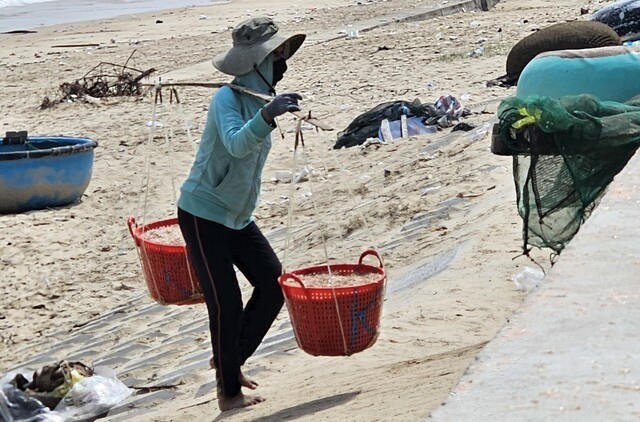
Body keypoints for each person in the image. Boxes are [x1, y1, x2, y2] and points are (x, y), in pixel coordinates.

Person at [176, 17, 306, 411]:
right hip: (203, 214)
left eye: (282, 55)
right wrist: (268, 118)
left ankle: (228, 363)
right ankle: (228, 393)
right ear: (256, 62)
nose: (281, 63)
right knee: (226, 303)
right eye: (276, 56)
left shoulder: (260, 99)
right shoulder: (227, 100)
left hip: (238, 217)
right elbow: (234, 145)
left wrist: (272, 111)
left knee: (272, 285)